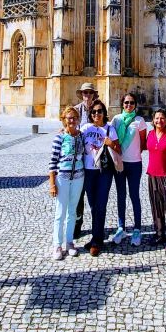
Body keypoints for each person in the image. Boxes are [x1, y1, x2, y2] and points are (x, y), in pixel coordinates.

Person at [80, 99, 121, 257]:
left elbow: (119, 149)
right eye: (94, 112)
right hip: (89, 171)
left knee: (101, 205)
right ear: (91, 114)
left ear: (104, 113)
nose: (97, 114)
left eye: (100, 111)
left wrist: (111, 143)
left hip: (105, 171)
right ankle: (97, 235)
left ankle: (97, 240)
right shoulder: (85, 128)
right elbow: (75, 137)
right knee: (92, 206)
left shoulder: (110, 128)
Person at [48, 106, 87, 260]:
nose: (71, 121)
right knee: (60, 212)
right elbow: (53, 161)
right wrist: (52, 183)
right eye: (68, 118)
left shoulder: (82, 136)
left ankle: (69, 242)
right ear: (64, 120)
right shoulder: (59, 138)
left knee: (72, 211)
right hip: (62, 178)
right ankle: (57, 244)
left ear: (78, 120)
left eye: (74, 118)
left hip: (78, 177)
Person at [110, 92, 147, 246]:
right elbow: (111, 137)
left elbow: (144, 143)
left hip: (134, 163)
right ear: (122, 104)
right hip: (119, 163)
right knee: (120, 195)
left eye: (131, 103)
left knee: (134, 195)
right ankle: (121, 227)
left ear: (135, 105)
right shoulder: (116, 119)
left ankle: (137, 228)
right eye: (126, 103)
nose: (129, 105)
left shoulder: (140, 121)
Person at [146, 108, 166, 250]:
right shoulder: (150, 134)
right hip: (152, 174)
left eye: (162, 118)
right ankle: (159, 233)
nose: (159, 121)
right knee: (156, 206)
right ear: (153, 121)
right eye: (157, 118)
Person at [72, 82, 98, 239]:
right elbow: (69, 128)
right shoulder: (76, 110)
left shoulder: (98, 110)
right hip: (80, 161)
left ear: (94, 94)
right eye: (85, 93)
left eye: (90, 92)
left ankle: (97, 227)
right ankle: (77, 224)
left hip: (94, 162)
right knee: (78, 195)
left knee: (95, 197)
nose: (87, 95)